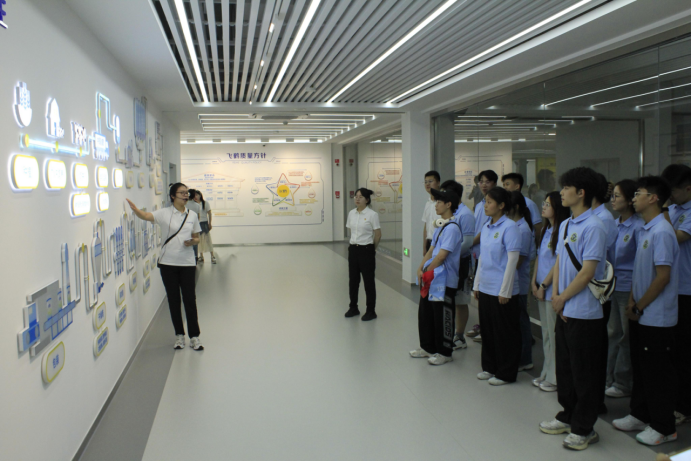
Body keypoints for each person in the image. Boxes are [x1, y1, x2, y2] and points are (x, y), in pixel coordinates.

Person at [539, 167, 606, 451]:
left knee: (584, 373)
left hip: (585, 312)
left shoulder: (594, 226)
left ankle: (584, 427)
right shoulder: (566, 224)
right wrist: (555, 295)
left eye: (566, 188)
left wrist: (563, 298)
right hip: (564, 308)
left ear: (581, 193)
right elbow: (559, 262)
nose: (561, 192)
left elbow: (587, 272)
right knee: (565, 369)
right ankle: (568, 415)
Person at [612, 176, 679, 446]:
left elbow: (663, 277)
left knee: (657, 373)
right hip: (640, 312)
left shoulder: (662, 231)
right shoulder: (646, 229)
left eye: (638, 193)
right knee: (641, 368)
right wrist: (632, 302)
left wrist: (639, 306)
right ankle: (640, 414)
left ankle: (664, 427)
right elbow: (639, 273)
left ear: (653, 198)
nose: (634, 198)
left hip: (656, 316)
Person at [126, 183, 204, 351]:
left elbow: (197, 237)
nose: (185, 195)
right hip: (168, 264)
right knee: (174, 301)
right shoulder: (164, 213)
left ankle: (194, 336)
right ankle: (179, 335)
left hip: (187, 263)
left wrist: (193, 241)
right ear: (173, 196)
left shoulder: (192, 215)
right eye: (182, 193)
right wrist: (135, 210)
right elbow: (146, 216)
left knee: (190, 300)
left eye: (186, 193)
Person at [472, 187, 522, 385]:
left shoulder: (510, 227)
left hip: (502, 289)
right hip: (486, 287)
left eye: (489, 202)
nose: (485, 205)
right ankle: (490, 367)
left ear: (501, 205)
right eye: (485, 201)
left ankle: (505, 373)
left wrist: (505, 290)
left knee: (504, 332)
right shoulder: (486, 227)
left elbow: (512, 260)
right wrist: (477, 284)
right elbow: (483, 258)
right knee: (488, 330)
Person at [410, 188, 462, 365]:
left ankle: (445, 352)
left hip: (444, 281)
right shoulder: (441, 226)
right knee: (426, 314)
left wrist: (426, 272)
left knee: (443, 316)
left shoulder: (452, 228)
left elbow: (441, 256)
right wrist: (420, 268)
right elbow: (431, 250)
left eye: (439, 202)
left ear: (449, 204)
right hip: (431, 279)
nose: (436, 205)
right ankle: (428, 347)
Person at [605, 180, 644, 399]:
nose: (613, 200)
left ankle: (623, 382)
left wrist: (633, 296)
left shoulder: (638, 226)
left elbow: (639, 263)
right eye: (613, 195)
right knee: (613, 333)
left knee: (625, 336)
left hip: (628, 287)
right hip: (612, 286)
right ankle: (608, 378)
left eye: (618, 196)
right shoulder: (614, 224)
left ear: (630, 200)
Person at [661, 164, 691, 426]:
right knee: (671, 350)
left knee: (684, 350)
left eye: (673, 191)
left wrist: (661, 211)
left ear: (688, 189)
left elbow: (673, 237)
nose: (669, 196)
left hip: (687, 290)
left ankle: (685, 406)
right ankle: (672, 400)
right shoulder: (673, 209)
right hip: (670, 287)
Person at [531, 192, 570, 392]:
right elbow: (539, 258)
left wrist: (544, 285)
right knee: (546, 334)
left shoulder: (562, 230)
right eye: (543, 203)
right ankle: (546, 372)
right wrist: (534, 282)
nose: (544, 207)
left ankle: (555, 378)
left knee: (554, 337)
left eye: (548, 204)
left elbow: (557, 264)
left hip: (550, 289)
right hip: (540, 288)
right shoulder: (546, 229)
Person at [592, 172, 618, 413]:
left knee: (596, 346)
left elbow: (600, 260)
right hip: (585, 292)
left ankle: (596, 400)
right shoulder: (583, 219)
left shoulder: (603, 219)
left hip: (597, 290)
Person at [440, 180, 476, 350]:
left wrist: (449, 255)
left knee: (460, 301)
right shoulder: (449, 213)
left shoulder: (465, 214)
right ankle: (448, 333)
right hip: (448, 262)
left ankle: (459, 336)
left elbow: (467, 242)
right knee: (449, 299)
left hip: (460, 263)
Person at [468, 169, 498, 342]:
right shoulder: (481, 205)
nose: (483, 185)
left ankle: (488, 329)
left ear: (494, 183)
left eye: (487, 181)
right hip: (477, 253)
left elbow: (485, 230)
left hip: (486, 253)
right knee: (479, 292)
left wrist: (470, 243)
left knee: (487, 294)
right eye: (481, 181)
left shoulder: (495, 206)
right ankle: (482, 325)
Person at [508, 190, 536, 372]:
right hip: (513, 281)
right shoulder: (513, 225)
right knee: (515, 321)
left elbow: (519, 259)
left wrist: (506, 275)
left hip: (519, 281)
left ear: (516, 207)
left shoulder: (523, 229)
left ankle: (525, 359)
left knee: (521, 321)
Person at [345, 188, 381, 321]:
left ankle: (371, 310)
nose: (357, 199)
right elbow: (351, 231)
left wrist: (372, 249)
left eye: (360, 197)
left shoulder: (372, 214)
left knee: (368, 282)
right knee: (353, 281)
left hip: (366, 250)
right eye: (356, 196)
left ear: (367, 199)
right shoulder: (351, 213)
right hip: (353, 249)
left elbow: (378, 234)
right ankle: (353, 307)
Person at [502, 172, 543, 245]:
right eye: (504, 185)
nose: (505, 187)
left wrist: (536, 245)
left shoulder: (529, 203)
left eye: (507, 184)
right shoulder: (504, 203)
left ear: (517, 186)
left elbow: (538, 226)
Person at [194, 191, 215, 264]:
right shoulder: (194, 204)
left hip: (204, 223)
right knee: (199, 241)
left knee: (207, 240)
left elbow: (209, 213)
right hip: (197, 223)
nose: (196, 196)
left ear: (200, 195)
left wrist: (210, 223)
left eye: (197, 195)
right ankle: (201, 256)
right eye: (194, 195)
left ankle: (212, 256)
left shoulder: (205, 203)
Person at [422, 171, 441, 253]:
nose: (427, 184)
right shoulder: (428, 203)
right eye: (425, 182)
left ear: (438, 183)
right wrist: (424, 247)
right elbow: (426, 225)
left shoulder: (442, 202)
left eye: (430, 181)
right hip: (429, 243)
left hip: (440, 243)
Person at [186, 189, 202, 262]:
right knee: (195, 241)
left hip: (185, 226)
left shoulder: (184, 204)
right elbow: (198, 217)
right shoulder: (197, 205)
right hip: (194, 226)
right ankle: (195, 256)